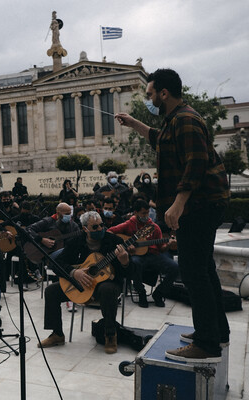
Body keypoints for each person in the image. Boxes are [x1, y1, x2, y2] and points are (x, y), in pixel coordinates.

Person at [116, 68, 230, 363]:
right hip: (202, 205)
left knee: (194, 273)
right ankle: (217, 331)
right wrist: (133, 123)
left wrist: (178, 204)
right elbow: (158, 138)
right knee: (204, 269)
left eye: (151, 93)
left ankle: (206, 344)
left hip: (199, 206)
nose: (149, 98)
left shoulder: (186, 119)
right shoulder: (174, 121)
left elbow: (196, 163)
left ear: (164, 93)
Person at [39, 211, 130, 354]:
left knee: (107, 289)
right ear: (85, 229)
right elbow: (57, 263)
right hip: (81, 285)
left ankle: (110, 334)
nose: (99, 229)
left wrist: (125, 262)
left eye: (101, 225)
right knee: (51, 291)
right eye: (94, 227)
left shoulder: (114, 241)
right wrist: (74, 272)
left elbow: (128, 273)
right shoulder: (75, 241)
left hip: (106, 285)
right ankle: (57, 334)